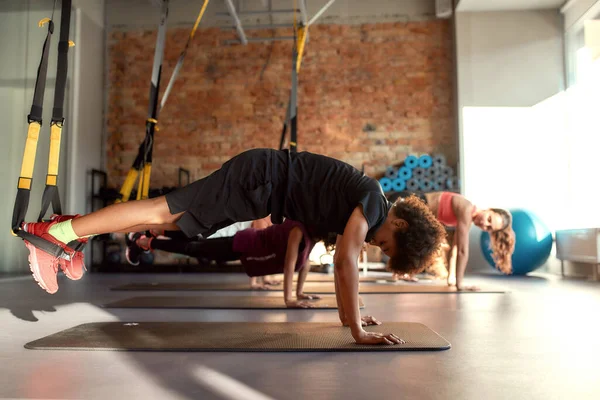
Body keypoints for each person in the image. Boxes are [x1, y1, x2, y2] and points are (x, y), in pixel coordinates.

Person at [21, 148, 446, 345]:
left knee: (168, 218)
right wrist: (354, 328)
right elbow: (346, 263)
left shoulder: (369, 206)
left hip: (257, 188)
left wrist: (351, 316)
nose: (379, 248)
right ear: (400, 223)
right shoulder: (373, 202)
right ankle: (57, 234)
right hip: (257, 178)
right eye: (389, 248)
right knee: (160, 212)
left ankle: (70, 232)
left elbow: (342, 260)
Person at [127, 219, 321, 308]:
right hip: (242, 243)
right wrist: (289, 299)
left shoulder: (310, 236)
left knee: (197, 245)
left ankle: (151, 235)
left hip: (244, 246)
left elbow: (305, 264)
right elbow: (289, 264)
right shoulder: (298, 230)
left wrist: (300, 293)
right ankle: (146, 239)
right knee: (195, 247)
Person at [389, 191, 515, 290]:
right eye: (489, 219)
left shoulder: (467, 220)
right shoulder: (466, 209)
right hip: (404, 203)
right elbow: (462, 251)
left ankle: (401, 272)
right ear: (489, 209)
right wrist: (460, 284)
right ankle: (401, 272)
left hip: (411, 213)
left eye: (488, 228)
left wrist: (451, 278)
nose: (484, 224)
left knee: (420, 240)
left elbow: (454, 250)